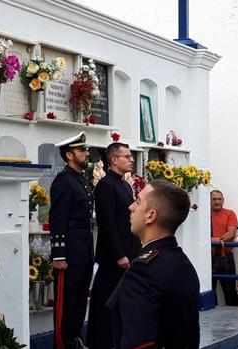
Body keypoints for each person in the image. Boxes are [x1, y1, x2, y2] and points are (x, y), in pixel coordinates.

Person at [107, 180, 200, 349]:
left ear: (150, 215)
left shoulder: (143, 271)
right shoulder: (182, 263)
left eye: (138, 202)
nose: (131, 207)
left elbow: (139, 342)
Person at [87, 142, 141, 349]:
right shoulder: (105, 186)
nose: (131, 159)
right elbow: (107, 223)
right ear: (114, 160)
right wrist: (119, 255)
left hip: (130, 251)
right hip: (113, 258)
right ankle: (100, 342)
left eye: (131, 156)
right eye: (127, 156)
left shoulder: (125, 185)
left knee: (124, 303)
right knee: (105, 302)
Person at [50, 131, 94, 349]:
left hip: (84, 251)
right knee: (66, 304)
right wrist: (59, 255)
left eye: (86, 149)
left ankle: (76, 340)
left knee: (78, 303)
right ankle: (64, 344)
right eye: (82, 150)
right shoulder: (64, 182)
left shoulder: (82, 181)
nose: (87, 153)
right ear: (69, 155)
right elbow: (58, 219)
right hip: (68, 254)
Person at [211, 190, 238, 306]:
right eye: (214, 199)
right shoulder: (204, 215)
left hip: (226, 257)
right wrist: (219, 240)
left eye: (219, 199)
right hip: (208, 258)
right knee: (209, 291)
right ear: (209, 201)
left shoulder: (230, 213)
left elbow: (231, 233)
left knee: (230, 291)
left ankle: (234, 320)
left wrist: (212, 240)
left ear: (223, 200)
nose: (217, 202)